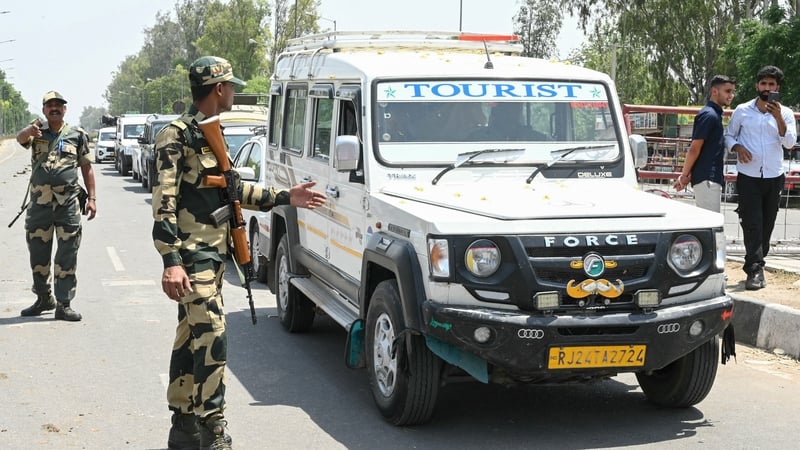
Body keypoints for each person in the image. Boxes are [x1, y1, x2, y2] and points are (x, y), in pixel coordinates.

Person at [152, 56, 326, 450]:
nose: (234, 91)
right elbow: (164, 201)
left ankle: (183, 426)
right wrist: (170, 261)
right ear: (218, 89)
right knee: (212, 334)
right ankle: (213, 430)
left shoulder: (213, 136)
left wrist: (286, 197)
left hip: (213, 258)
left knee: (190, 337)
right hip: (191, 258)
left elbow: (232, 191)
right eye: (232, 86)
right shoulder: (175, 137)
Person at [15, 91, 97, 322]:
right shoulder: (36, 131)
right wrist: (29, 131)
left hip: (68, 205)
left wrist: (92, 198)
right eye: (50, 105)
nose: (54, 108)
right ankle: (44, 298)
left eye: (58, 105)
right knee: (38, 254)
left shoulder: (77, 135)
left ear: (65, 110)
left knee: (67, 254)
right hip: (39, 206)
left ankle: (64, 304)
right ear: (43, 109)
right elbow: (20, 139)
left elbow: (86, 167)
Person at [724, 65, 797, 290]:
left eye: (771, 85)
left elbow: (790, 143)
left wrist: (778, 118)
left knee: (767, 223)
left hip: (774, 175)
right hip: (749, 176)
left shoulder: (784, 113)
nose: (767, 88)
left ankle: (759, 262)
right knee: (752, 222)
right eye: (763, 84)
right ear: (757, 86)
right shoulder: (742, 110)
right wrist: (736, 147)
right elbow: (729, 135)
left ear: (777, 88)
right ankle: (754, 270)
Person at [674, 75, 736, 212]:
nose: (731, 95)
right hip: (708, 179)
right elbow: (694, 149)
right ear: (714, 91)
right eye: (727, 91)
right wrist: (684, 176)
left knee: (711, 224)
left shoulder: (714, 114)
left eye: (732, 91)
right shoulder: (709, 115)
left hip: (709, 178)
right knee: (712, 225)